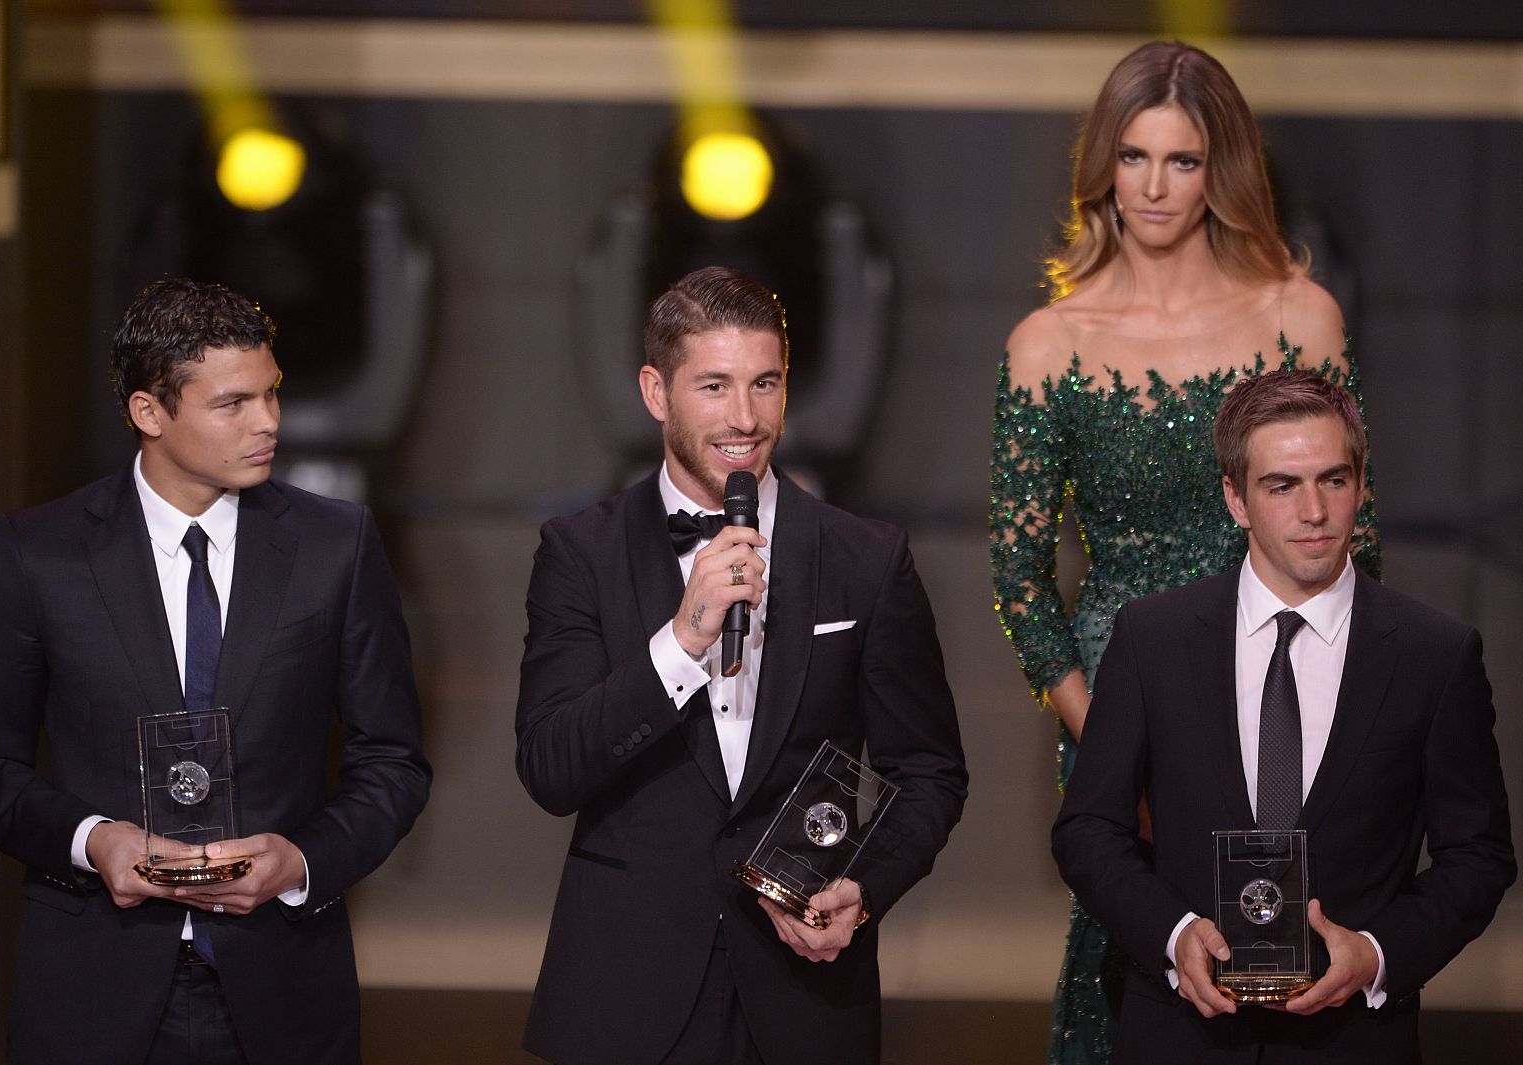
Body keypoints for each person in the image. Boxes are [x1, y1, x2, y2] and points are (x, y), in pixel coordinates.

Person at [987, 39, 1380, 1064]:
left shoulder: (1301, 319)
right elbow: (1017, 581)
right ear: (1102, 169)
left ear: (1222, 171)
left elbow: (1356, 548)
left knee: (1290, 944)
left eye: (1182, 160)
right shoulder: (1049, 345)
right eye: (1134, 157)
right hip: (1118, 696)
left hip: (1287, 683)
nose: (1154, 186)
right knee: (1137, 957)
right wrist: (1110, 742)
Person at [0, 278, 432, 1065]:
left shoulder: (336, 544)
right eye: (232, 404)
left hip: (285, 988)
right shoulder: (39, 553)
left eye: (271, 394)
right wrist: (93, 840)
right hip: (89, 990)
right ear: (149, 412)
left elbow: (395, 763)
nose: (269, 421)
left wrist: (299, 861)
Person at [516, 265, 968, 1065]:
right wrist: (683, 640)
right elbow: (552, 767)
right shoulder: (579, 553)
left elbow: (928, 769)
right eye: (715, 386)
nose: (745, 417)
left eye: (765, 383)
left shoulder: (866, 558)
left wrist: (861, 891)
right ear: (656, 392)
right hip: (624, 993)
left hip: (805, 989)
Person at [1051, 370, 1514, 1063]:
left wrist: (1379, 953)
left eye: (1333, 479)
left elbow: (1478, 855)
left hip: (1352, 1041)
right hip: (1181, 1035)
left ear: (1361, 486)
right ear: (1236, 498)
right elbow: (1088, 828)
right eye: (1282, 485)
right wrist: (1174, 935)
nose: (1314, 510)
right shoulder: (1153, 638)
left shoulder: (1435, 655)